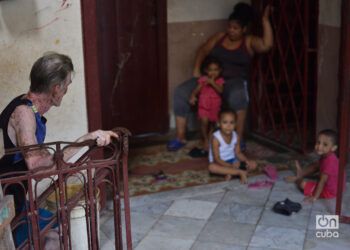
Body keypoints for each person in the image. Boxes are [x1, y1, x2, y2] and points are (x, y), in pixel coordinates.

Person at [0, 52, 118, 216]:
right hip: (4, 210)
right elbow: (36, 169)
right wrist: (82, 141)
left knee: (55, 228)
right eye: (66, 85)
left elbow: (41, 168)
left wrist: (70, 160)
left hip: (13, 202)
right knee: (53, 238)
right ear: (56, 89)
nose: (66, 91)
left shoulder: (29, 108)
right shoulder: (24, 113)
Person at [167, 2, 273, 154]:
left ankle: (239, 140)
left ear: (244, 29)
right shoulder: (219, 37)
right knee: (181, 92)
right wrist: (197, 69)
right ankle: (180, 137)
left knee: (239, 96)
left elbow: (266, 45)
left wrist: (265, 21)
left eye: (235, 28)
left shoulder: (248, 41)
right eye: (229, 27)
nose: (231, 31)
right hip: (210, 79)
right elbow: (203, 50)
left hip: (234, 81)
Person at [285, 129, 346, 202]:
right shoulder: (328, 155)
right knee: (316, 165)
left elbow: (322, 182)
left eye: (325, 144)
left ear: (333, 148)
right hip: (337, 185)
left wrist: (314, 197)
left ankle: (297, 179)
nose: (319, 147)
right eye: (318, 142)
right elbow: (317, 166)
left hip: (330, 191)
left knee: (302, 184)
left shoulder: (329, 162)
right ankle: (301, 173)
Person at [208, 109, 257, 183]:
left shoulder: (236, 135)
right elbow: (216, 158)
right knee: (211, 168)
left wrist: (246, 161)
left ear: (236, 124)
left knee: (254, 164)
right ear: (218, 123)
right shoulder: (216, 138)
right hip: (220, 162)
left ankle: (231, 172)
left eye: (232, 122)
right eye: (225, 122)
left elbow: (238, 153)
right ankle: (239, 172)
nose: (228, 126)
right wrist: (230, 166)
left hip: (233, 160)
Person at [189, 56, 225, 151]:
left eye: (216, 70)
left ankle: (209, 138)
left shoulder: (219, 81)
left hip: (214, 106)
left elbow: (220, 91)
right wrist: (193, 96)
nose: (213, 72)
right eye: (210, 70)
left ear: (220, 70)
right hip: (203, 106)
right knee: (204, 122)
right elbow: (196, 90)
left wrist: (213, 83)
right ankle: (205, 138)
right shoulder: (203, 80)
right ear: (206, 70)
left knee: (212, 124)